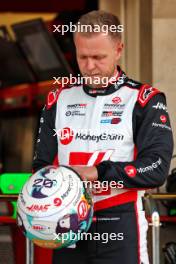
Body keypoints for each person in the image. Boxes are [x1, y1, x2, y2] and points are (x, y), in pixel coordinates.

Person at [32, 10, 174, 264]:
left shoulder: (145, 100)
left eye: (98, 57)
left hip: (120, 222)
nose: (89, 66)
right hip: (67, 222)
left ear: (118, 50)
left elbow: (157, 168)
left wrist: (96, 172)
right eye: (82, 57)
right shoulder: (58, 100)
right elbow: (41, 165)